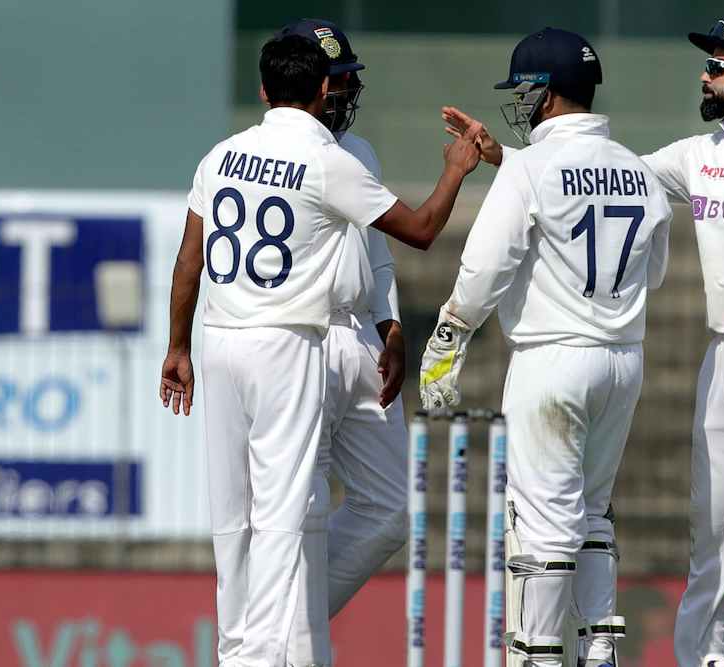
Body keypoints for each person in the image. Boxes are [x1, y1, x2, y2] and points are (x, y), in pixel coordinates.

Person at [441, 20, 724, 667]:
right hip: (708, 352)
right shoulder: (691, 155)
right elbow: (595, 182)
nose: (705, 75)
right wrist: (503, 157)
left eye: (719, 66)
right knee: (712, 529)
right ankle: (686, 656)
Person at [158, 33, 480, 666]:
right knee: (284, 514)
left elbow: (189, 258)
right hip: (289, 342)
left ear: (263, 90)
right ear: (325, 87)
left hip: (221, 340)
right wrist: (456, 169)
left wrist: (177, 345)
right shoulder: (324, 159)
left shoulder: (221, 154)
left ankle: (244, 649)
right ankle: (256, 657)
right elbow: (420, 229)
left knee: (236, 515)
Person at [417, 27, 673, 667]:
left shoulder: (529, 169)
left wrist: (450, 336)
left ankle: (538, 656)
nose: (519, 104)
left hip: (551, 359)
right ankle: (599, 651)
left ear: (547, 94)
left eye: (523, 92)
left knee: (542, 518)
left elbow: (485, 265)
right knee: (592, 513)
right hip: (623, 359)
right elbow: (654, 273)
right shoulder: (639, 171)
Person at [267, 19, 425, 667]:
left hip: (357, 334)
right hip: (299, 335)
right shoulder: (271, 152)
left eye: (347, 80)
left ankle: (277, 628)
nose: (342, 93)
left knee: (390, 510)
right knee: (299, 509)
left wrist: (391, 324)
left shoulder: (357, 151)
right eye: (335, 80)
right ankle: (284, 643)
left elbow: (376, 252)